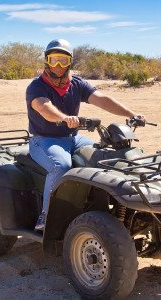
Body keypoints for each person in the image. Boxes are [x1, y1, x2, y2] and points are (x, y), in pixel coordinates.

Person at [26, 39, 145, 231]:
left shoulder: (77, 84)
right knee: (61, 165)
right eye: (53, 60)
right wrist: (65, 118)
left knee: (103, 156)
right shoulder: (36, 86)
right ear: (46, 61)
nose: (57, 66)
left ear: (70, 62)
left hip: (74, 139)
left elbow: (102, 99)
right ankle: (46, 216)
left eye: (62, 61)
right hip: (44, 140)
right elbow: (43, 107)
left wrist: (131, 114)